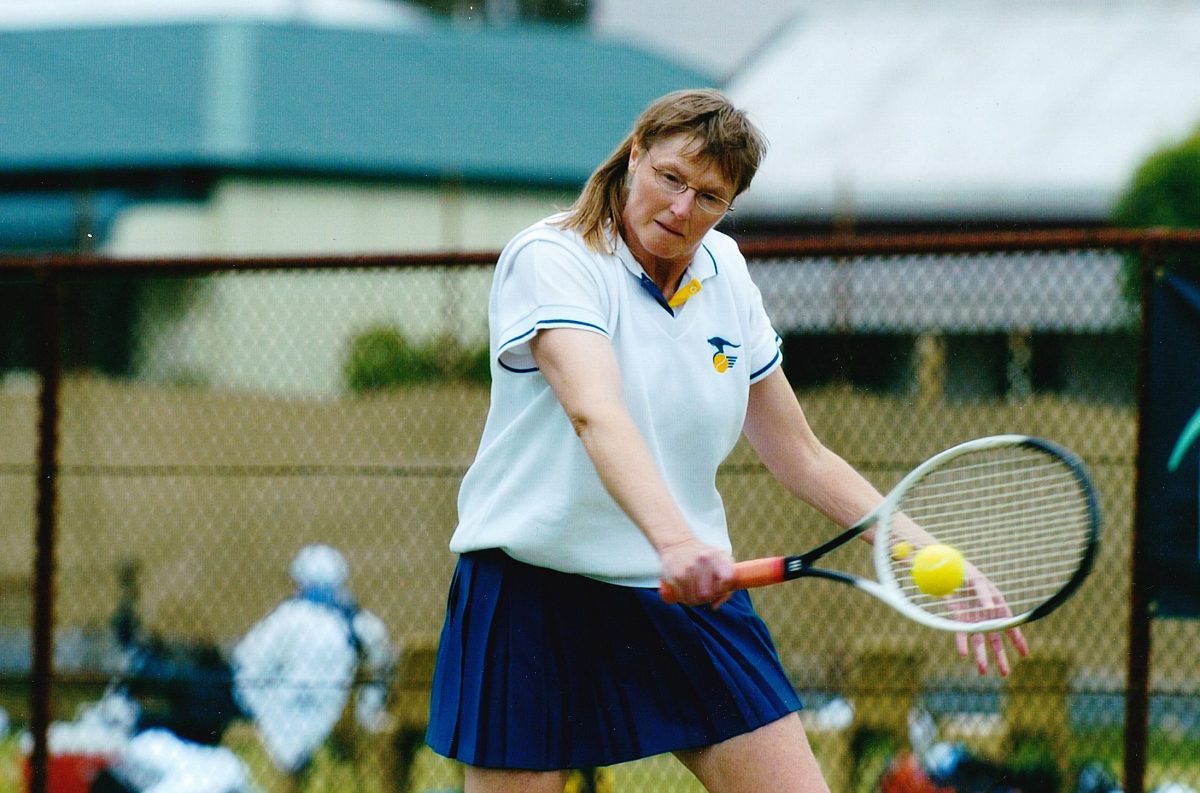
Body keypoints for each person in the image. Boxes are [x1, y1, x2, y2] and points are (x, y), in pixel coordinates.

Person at [425, 88, 1028, 793]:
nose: (682, 210)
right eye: (670, 178)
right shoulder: (552, 257)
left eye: (710, 197)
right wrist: (675, 540)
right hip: (530, 588)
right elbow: (597, 412)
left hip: (684, 598)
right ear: (635, 156)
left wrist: (924, 553)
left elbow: (799, 453)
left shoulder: (726, 271)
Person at [231, 544, 394, 789]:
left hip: (292, 711)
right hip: (351, 719)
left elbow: (248, 659)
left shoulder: (287, 617)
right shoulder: (360, 621)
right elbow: (384, 661)